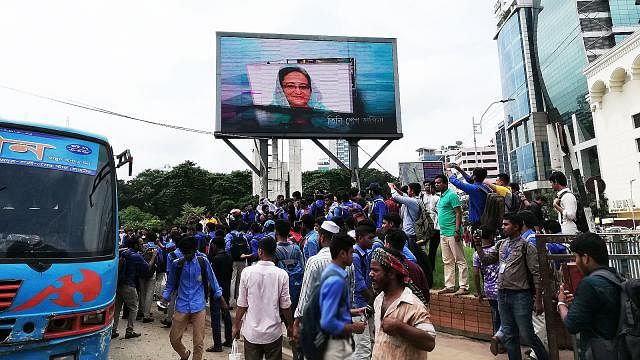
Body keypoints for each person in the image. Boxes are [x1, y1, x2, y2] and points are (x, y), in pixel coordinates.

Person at [474, 213, 548, 360]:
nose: (503, 227)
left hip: (520, 295)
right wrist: (477, 245)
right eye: (502, 224)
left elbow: (536, 273)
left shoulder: (526, 246)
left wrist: (538, 300)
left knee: (527, 333)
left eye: (506, 224)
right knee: (509, 334)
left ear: (516, 226)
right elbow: (487, 260)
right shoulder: (501, 244)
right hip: (502, 294)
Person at [556, 233, 621, 359]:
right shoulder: (616, 277)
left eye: (576, 257)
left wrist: (561, 303)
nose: (576, 262)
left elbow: (572, 324)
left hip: (598, 352)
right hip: (617, 349)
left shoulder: (589, 283)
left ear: (585, 258)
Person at [163, 236, 225, 360]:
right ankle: (184, 354)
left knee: (198, 342)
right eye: (184, 252)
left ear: (195, 250)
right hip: (182, 306)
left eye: (189, 252)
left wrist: (220, 297)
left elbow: (213, 279)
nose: (187, 255)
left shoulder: (203, 262)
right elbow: (170, 284)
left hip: (199, 306)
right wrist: (166, 297)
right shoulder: (177, 264)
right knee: (174, 338)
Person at [233, 236, 293, 360]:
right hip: (273, 333)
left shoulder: (247, 272)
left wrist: (236, 325)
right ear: (274, 252)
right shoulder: (282, 275)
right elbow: (285, 306)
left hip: (252, 333)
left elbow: (242, 304)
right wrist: (290, 326)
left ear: (260, 251)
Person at [369, 247, 436, 359]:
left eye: (375, 270)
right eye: (371, 270)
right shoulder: (378, 299)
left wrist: (399, 327)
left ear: (391, 273)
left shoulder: (413, 305)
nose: (371, 274)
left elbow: (430, 343)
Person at [319, 233, 367, 360]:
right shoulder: (336, 280)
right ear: (342, 254)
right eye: (351, 252)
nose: (353, 256)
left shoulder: (333, 273)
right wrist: (354, 327)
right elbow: (327, 322)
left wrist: (352, 312)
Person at [112, 237, 157, 339]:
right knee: (134, 308)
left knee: (117, 309)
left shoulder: (125, 253)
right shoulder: (136, 256)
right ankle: (129, 331)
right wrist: (153, 256)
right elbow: (147, 267)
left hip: (119, 284)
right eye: (141, 244)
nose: (142, 246)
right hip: (129, 285)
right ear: (136, 245)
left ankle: (113, 330)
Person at [434, 174, 468, 295]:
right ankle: (449, 285)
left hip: (453, 232)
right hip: (443, 233)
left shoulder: (452, 195)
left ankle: (464, 286)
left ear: (445, 183)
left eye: (439, 182)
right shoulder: (441, 197)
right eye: (436, 183)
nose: (436, 184)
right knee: (447, 260)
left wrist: (457, 230)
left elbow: (458, 213)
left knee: (460, 259)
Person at [471, 225, 502, 355]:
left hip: (488, 290)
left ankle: (497, 340)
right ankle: (501, 340)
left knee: (496, 316)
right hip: (501, 288)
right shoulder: (497, 249)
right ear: (491, 236)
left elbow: (476, 275)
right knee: (505, 317)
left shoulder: (476, 254)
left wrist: (479, 293)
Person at [351, 220, 376, 360]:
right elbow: (360, 284)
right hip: (359, 304)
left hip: (367, 303)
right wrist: (373, 299)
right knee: (363, 346)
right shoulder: (355, 256)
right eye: (369, 238)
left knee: (371, 340)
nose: (372, 241)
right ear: (360, 238)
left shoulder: (364, 254)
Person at [384, 229, 430, 304]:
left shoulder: (385, 267)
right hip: (415, 307)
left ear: (388, 245)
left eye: (385, 243)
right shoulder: (416, 267)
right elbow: (425, 293)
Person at [206, 235, 233, 352]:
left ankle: (217, 344)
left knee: (215, 316)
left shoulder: (216, 259)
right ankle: (228, 339)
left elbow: (212, 277)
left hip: (217, 288)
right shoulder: (229, 257)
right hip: (226, 287)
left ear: (214, 246)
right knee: (226, 313)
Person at [273, 220, 305, 316]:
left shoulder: (274, 249)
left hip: (280, 288)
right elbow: (303, 268)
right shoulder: (296, 248)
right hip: (295, 287)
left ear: (276, 232)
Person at [225, 220, 248, 308]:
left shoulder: (229, 236)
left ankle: (231, 301)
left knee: (232, 280)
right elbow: (247, 247)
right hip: (242, 260)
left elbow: (227, 248)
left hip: (233, 260)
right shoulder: (242, 235)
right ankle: (239, 299)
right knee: (240, 279)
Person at [421, 180, 440, 270]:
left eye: (429, 185)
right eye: (426, 185)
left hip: (435, 225)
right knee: (422, 246)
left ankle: (430, 267)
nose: (427, 187)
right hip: (425, 224)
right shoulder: (422, 197)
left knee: (432, 249)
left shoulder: (437, 198)